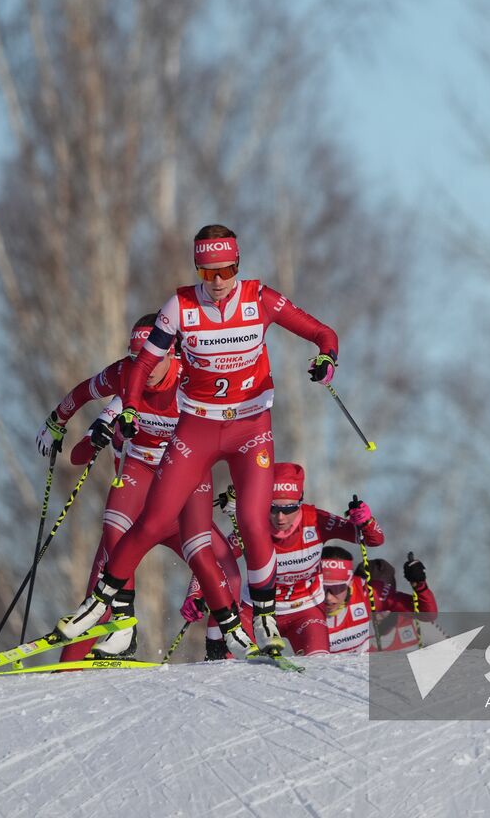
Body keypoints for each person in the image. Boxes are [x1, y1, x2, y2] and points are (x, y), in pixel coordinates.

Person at [56, 225, 340, 655]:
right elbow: (140, 365)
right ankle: (102, 602)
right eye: (208, 274)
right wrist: (129, 407)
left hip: (250, 427)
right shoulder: (180, 306)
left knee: (251, 518)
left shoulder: (259, 299)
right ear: (197, 271)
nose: (218, 283)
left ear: (237, 267)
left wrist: (326, 360)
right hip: (199, 428)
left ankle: (263, 617)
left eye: (225, 271)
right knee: (153, 520)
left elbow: (324, 333)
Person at [35, 314, 243, 660]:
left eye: (151, 358)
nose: (142, 368)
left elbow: (231, 437)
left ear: (173, 353)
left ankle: (222, 654)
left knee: (225, 571)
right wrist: (70, 425)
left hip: (177, 505)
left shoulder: (192, 383)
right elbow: (79, 437)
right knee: (101, 586)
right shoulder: (123, 383)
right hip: (134, 502)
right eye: (136, 357)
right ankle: (79, 664)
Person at [178, 463, 385, 657]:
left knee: (318, 666)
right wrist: (195, 594)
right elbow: (214, 561)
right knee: (228, 656)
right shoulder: (253, 525)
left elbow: (373, 540)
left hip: (305, 611)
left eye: (289, 509)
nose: (280, 518)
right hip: (256, 610)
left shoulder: (317, 520)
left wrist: (366, 522)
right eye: (273, 508)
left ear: (300, 502)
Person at [323, 547, 436, 653]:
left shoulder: (374, 595)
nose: (328, 597)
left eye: (338, 587)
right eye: (324, 587)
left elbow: (427, 615)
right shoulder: (308, 596)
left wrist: (420, 585)